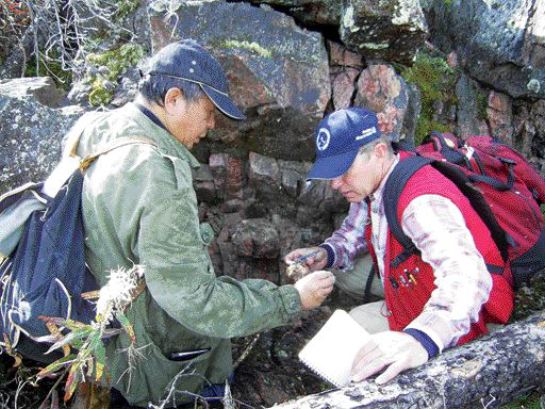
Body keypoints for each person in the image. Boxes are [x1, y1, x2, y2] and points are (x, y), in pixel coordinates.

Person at [61, 39, 335, 407]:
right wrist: (291, 299)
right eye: (208, 110)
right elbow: (196, 301)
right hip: (154, 363)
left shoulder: (99, 130)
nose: (211, 124)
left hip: (107, 340)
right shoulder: (157, 175)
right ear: (173, 98)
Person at [285, 107, 514, 385]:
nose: (335, 184)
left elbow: (467, 276)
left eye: (344, 170)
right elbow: (355, 231)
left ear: (379, 152)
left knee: (355, 358)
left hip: (467, 320)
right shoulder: (372, 185)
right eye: (332, 173)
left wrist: (422, 339)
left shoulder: (421, 203)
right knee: (347, 332)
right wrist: (327, 253)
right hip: (412, 294)